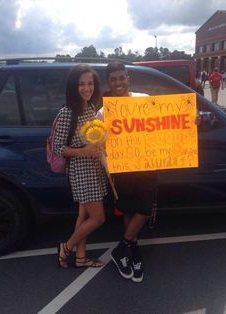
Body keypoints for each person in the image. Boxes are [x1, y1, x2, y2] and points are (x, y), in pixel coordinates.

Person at [97, 61, 157, 283]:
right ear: (108, 82)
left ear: (128, 78)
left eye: (121, 78)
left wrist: (191, 121)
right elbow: (95, 137)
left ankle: (121, 248)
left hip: (147, 164)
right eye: (113, 79)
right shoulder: (104, 111)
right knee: (129, 210)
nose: (118, 82)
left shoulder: (143, 99)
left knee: (144, 208)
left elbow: (165, 123)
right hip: (122, 169)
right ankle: (132, 251)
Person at [54, 64, 108, 269]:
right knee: (98, 218)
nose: (87, 88)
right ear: (73, 87)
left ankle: (81, 258)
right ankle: (66, 247)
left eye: (90, 83)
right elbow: (59, 148)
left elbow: (95, 137)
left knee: (83, 216)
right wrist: (85, 151)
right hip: (81, 170)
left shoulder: (91, 108)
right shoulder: (67, 112)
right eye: (81, 84)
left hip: (95, 168)